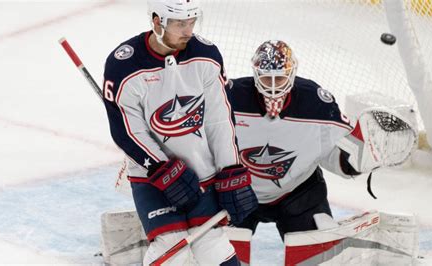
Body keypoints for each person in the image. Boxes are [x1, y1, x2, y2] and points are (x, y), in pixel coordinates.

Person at [101, 0, 257, 264]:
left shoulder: (206, 56)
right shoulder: (124, 66)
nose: (188, 30)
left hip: (201, 171)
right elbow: (127, 131)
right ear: (156, 20)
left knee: (213, 245)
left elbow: (220, 120)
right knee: (171, 250)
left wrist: (230, 169)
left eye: (192, 21)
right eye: (179, 23)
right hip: (151, 177)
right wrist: (162, 168)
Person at [225, 40, 365, 262]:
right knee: (218, 257)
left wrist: (355, 160)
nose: (273, 87)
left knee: (319, 260)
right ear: (255, 74)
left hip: (299, 194)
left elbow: (334, 152)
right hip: (239, 192)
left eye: (279, 78)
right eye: (266, 78)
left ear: (292, 73)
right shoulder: (229, 98)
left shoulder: (316, 102)